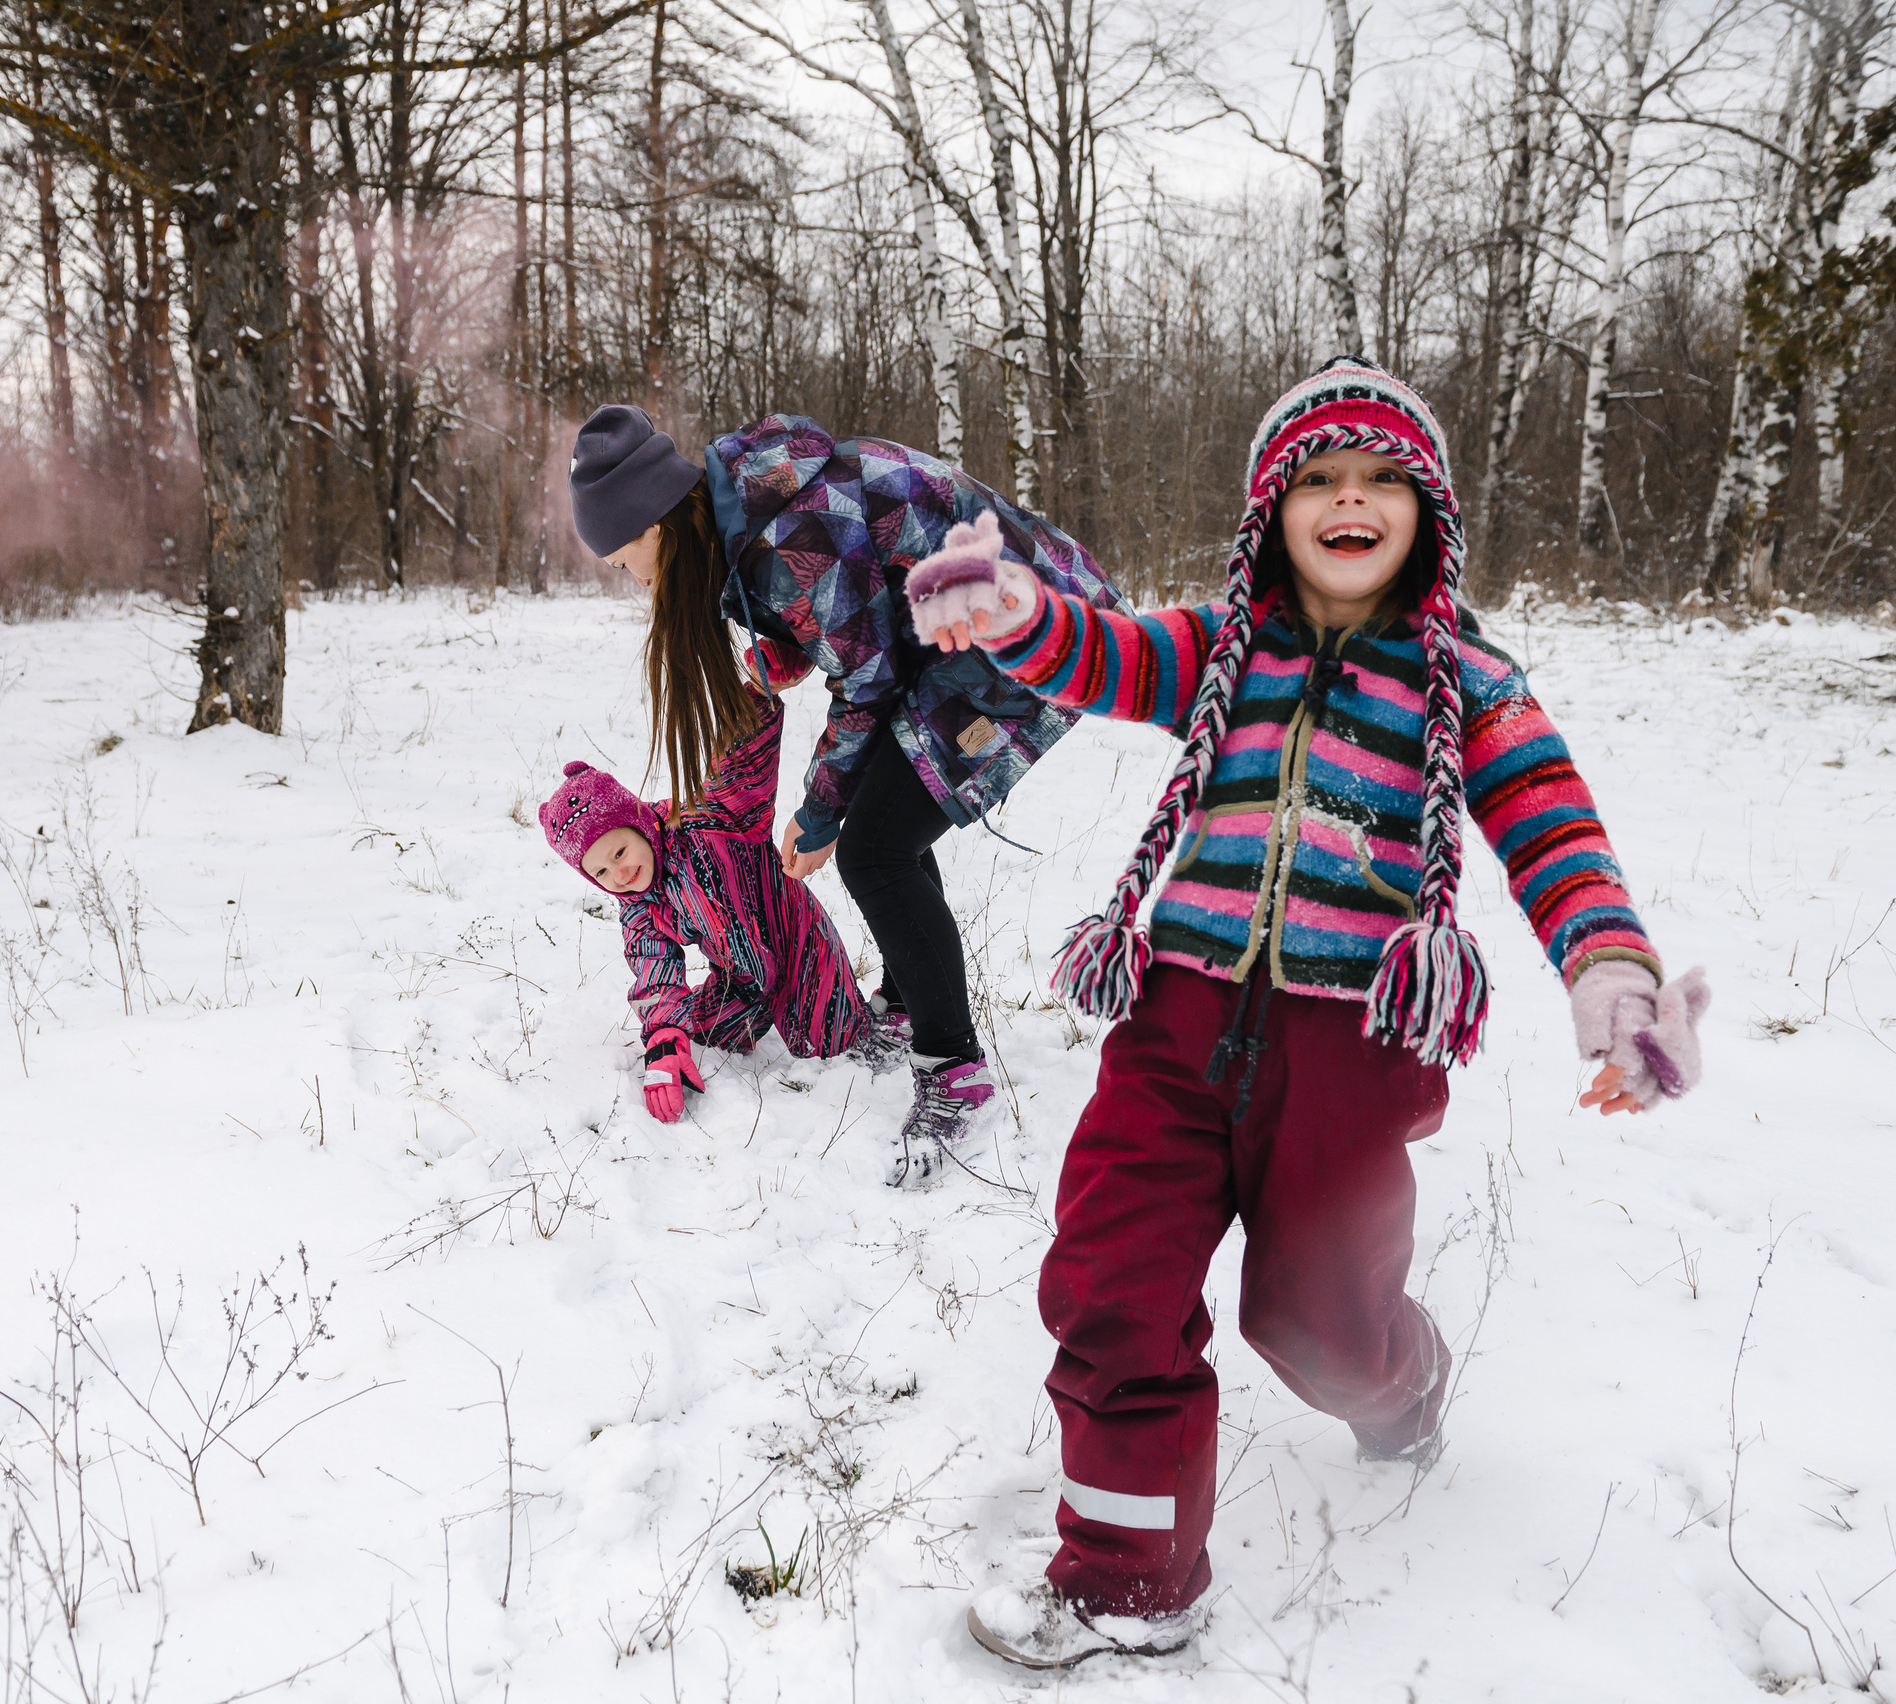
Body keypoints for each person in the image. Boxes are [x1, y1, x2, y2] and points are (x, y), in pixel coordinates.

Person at [905, 357, 1712, 1668]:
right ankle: (1128, 1581)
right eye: (1318, 480)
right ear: (1271, 513)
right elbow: (1096, 653)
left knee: (1315, 1323)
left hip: (1351, 1058)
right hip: (1175, 1027)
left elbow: (1557, 833)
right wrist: (1005, 606)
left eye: (1380, 479)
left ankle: (1403, 1390)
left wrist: (1611, 975)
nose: (1349, 499)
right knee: (1111, 1279)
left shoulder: (1470, 683)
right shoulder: (1223, 645)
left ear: (1427, 512)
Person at [565, 403, 1128, 1184]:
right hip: (955, 638)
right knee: (883, 829)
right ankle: (907, 1002)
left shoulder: (786, 529)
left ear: (656, 523)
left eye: (626, 561)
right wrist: (799, 647)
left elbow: (867, 672)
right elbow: (859, 619)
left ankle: (951, 1069)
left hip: (1024, 628)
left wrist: (819, 808)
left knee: (871, 847)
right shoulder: (743, 518)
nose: (634, 580)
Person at [540, 689, 901, 1125]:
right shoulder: (639, 905)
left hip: (799, 945)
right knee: (701, 1032)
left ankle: (887, 1013)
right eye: (599, 872)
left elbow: (741, 766)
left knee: (831, 1047)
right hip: (741, 977)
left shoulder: (709, 822)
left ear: (635, 822)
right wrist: (665, 1041)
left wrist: (757, 694)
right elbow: (654, 966)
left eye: (618, 853)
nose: (618, 875)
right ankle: (705, 1027)